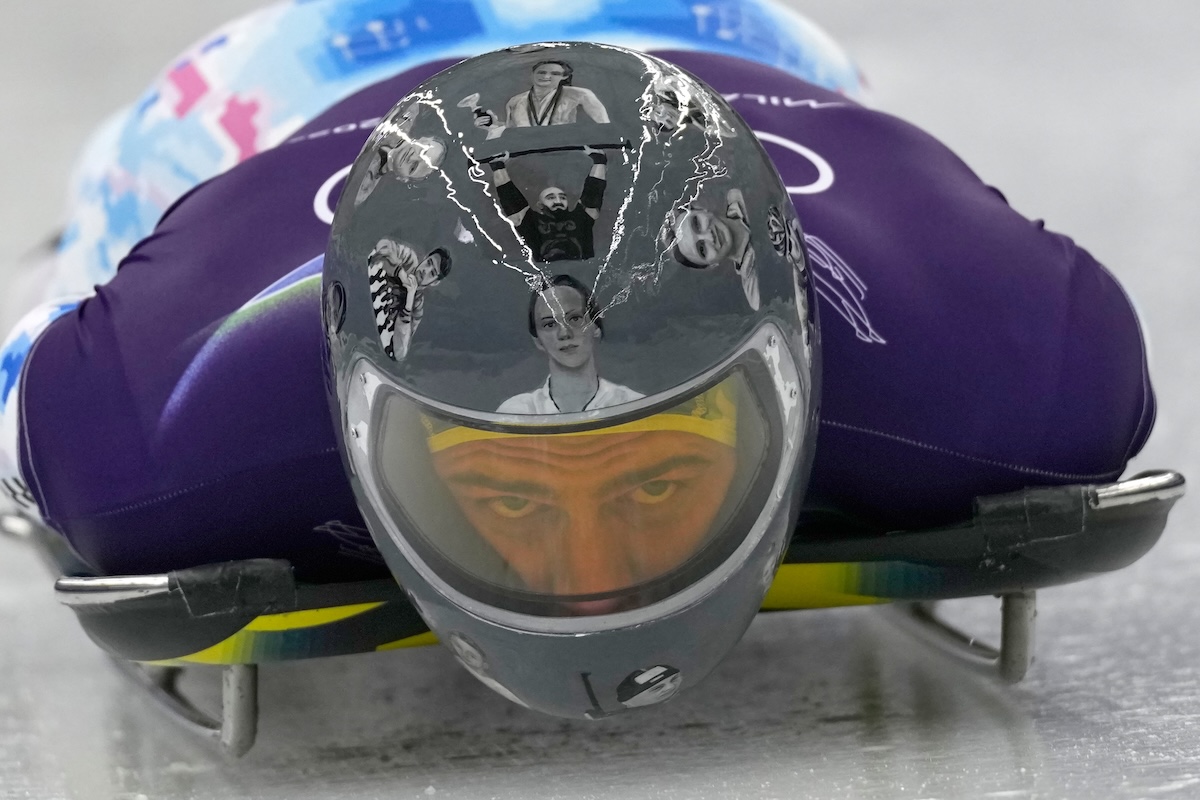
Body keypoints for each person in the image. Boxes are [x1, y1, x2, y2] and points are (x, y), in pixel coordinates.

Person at [0, 6, 1153, 675]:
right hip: (286, 82)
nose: (590, 581)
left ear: (796, 376)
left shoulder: (997, 357)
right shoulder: (153, 425)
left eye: (656, 474)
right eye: (511, 495)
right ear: (352, 411)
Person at [497, 275, 643, 414]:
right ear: (538, 341)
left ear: (596, 327)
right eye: (549, 324)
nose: (564, 333)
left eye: (574, 319)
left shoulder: (634, 405)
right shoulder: (516, 413)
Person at [488, 147, 608, 261]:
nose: (558, 201)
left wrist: (599, 161)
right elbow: (509, 197)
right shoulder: (530, 221)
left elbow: (594, 192)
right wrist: (498, 167)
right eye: (550, 198)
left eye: (562, 197)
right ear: (540, 204)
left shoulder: (580, 218)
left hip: (581, 269)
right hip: (548, 272)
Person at [663, 189, 760, 310]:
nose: (709, 237)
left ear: (702, 209)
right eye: (702, 249)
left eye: (697, 224)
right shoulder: (756, 292)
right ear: (710, 265)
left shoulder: (741, 195)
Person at [478, 59, 611, 138]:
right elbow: (513, 134)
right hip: (527, 158)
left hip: (570, 155)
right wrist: (493, 126)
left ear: (564, 77)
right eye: (541, 72)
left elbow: (605, 128)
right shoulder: (515, 101)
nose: (546, 76)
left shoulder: (581, 95)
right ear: (533, 74)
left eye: (555, 73)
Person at [367, 239, 451, 360]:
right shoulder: (409, 259)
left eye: (432, 273)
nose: (424, 271)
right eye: (428, 263)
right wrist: (400, 272)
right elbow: (382, 245)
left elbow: (399, 352)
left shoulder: (416, 308)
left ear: (435, 282)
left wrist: (409, 301)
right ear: (426, 258)